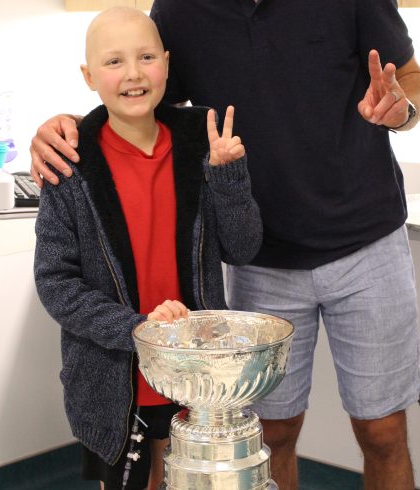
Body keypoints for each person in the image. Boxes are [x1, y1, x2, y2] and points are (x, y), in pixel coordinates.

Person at [30, 2, 420, 489]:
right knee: (267, 434)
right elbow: (142, 100)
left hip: (367, 242)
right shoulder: (179, 8)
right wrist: (68, 126)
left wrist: (401, 110)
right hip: (259, 259)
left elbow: (408, 76)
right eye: (112, 62)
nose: (130, 67)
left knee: (383, 430)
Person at [32, 7, 262, 490]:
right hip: (115, 380)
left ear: (167, 63)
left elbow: (242, 248)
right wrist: (138, 331)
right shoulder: (69, 161)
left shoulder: (204, 138)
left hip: (196, 375)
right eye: (114, 62)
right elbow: (56, 282)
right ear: (88, 76)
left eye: (146, 57)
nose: (133, 74)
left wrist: (228, 176)